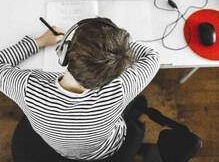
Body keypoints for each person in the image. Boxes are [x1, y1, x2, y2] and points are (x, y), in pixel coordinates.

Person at [0, 17, 160, 162]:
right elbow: (153, 57)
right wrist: (116, 48)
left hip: (59, 148)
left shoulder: (28, 89)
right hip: (108, 149)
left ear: (65, 52)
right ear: (114, 72)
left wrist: (39, 42)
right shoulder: (119, 89)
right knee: (138, 102)